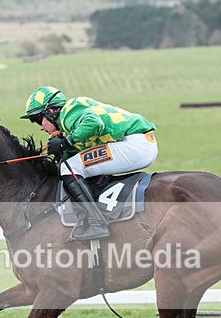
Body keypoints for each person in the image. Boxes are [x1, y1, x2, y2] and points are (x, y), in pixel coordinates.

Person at [20, 86, 158, 241]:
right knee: (71, 164)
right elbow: (79, 152)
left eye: (38, 119)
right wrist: (62, 151)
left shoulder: (68, 113)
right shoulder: (69, 122)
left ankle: (97, 223)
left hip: (135, 145)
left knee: (68, 168)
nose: (40, 127)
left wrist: (65, 143)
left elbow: (94, 123)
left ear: (51, 112)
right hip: (140, 144)